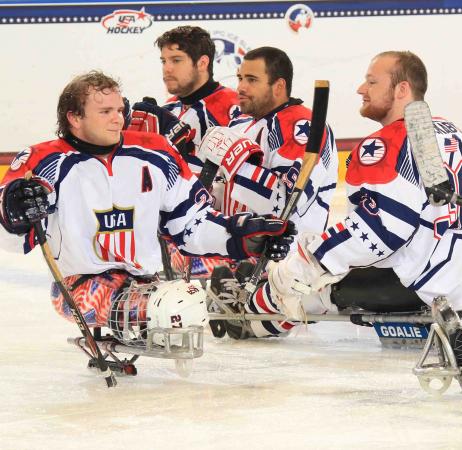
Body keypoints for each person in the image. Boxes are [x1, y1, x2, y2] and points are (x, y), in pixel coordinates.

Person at [225, 51, 462, 387]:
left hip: (420, 290)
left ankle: (254, 316)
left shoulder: (386, 143)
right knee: (325, 267)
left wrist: (302, 265)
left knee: (311, 281)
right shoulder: (446, 130)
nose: (361, 88)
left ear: (401, 90)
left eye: (372, 82)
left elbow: (379, 232)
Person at [0, 71, 293, 344]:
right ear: (74, 118)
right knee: (171, 312)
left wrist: (243, 235)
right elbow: (11, 238)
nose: (118, 119)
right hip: (81, 286)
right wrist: (13, 212)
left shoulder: (154, 152)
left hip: (146, 281)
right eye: (105, 112)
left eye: (119, 110)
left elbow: (192, 223)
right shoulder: (43, 161)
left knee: (187, 305)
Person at [194, 46, 338, 338]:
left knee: (254, 327)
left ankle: (263, 308)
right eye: (239, 78)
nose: (240, 88)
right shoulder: (242, 124)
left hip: (288, 264)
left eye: (251, 80)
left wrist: (234, 162)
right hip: (246, 255)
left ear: (279, 85)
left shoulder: (301, 124)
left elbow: (286, 201)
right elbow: (224, 193)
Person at [153, 25, 243, 279]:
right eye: (164, 61)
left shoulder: (233, 107)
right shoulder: (166, 109)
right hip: (173, 230)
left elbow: (241, 174)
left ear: (202, 62)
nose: (167, 69)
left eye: (176, 60)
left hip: (218, 233)